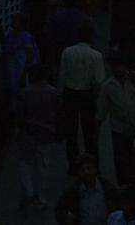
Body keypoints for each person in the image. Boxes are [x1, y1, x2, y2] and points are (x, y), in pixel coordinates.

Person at [97, 53, 135, 187]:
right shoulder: (108, 86)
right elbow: (101, 111)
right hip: (119, 130)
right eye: (115, 66)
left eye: (120, 66)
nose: (118, 69)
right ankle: (124, 187)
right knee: (121, 161)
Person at [56, 21, 104, 169]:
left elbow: (62, 76)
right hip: (87, 95)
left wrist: (59, 96)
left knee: (71, 132)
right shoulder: (96, 55)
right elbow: (99, 80)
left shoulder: (67, 52)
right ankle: (92, 164)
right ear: (91, 38)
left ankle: (73, 164)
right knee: (89, 133)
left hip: (70, 94)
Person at [15, 64, 60, 212]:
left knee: (25, 164)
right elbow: (59, 114)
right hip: (46, 135)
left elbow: (19, 116)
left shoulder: (24, 93)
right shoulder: (53, 92)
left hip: (28, 134)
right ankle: (40, 198)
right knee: (43, 167)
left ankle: (28, 193)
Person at [54, 153, 118, 225]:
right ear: (78, 173)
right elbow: (59, 211)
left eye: (89, 168)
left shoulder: (109, 189)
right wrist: (66, 218)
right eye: (83, 170)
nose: (86, 172)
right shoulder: (71, 192)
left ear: (95, 169)